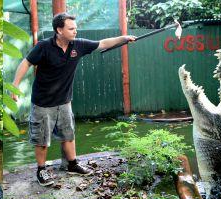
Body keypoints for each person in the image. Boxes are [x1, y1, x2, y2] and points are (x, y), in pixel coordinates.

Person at [11, 13, 136, 186]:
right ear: (59, 30)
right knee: (42, 140)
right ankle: (41, 170)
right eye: (71, 28)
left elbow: (103, 43)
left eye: (75, 28)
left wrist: (124, 38)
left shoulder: (79, 45)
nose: (75, 31)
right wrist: (15, 86)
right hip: (43, 102)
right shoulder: (44, 47)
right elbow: (26, 63)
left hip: (64, 101)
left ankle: (72, 164)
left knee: (68, 135)